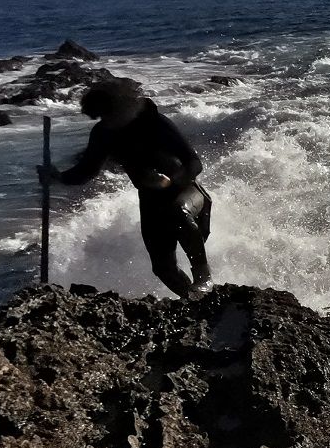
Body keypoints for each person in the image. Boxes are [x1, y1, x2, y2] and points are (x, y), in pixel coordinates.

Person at [41, 80, 213, 297]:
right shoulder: (103, 133)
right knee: (162, 268)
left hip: (188, 192)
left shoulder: (155, 123)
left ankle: (203, 277)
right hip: (151, 201)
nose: (108, 122)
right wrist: (57, 177)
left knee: (176, 211)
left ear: (125, 106)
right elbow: (86, 171)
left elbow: (194, 163)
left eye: (111, 115)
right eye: (103, 117)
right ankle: (194, 301)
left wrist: (169, 181)